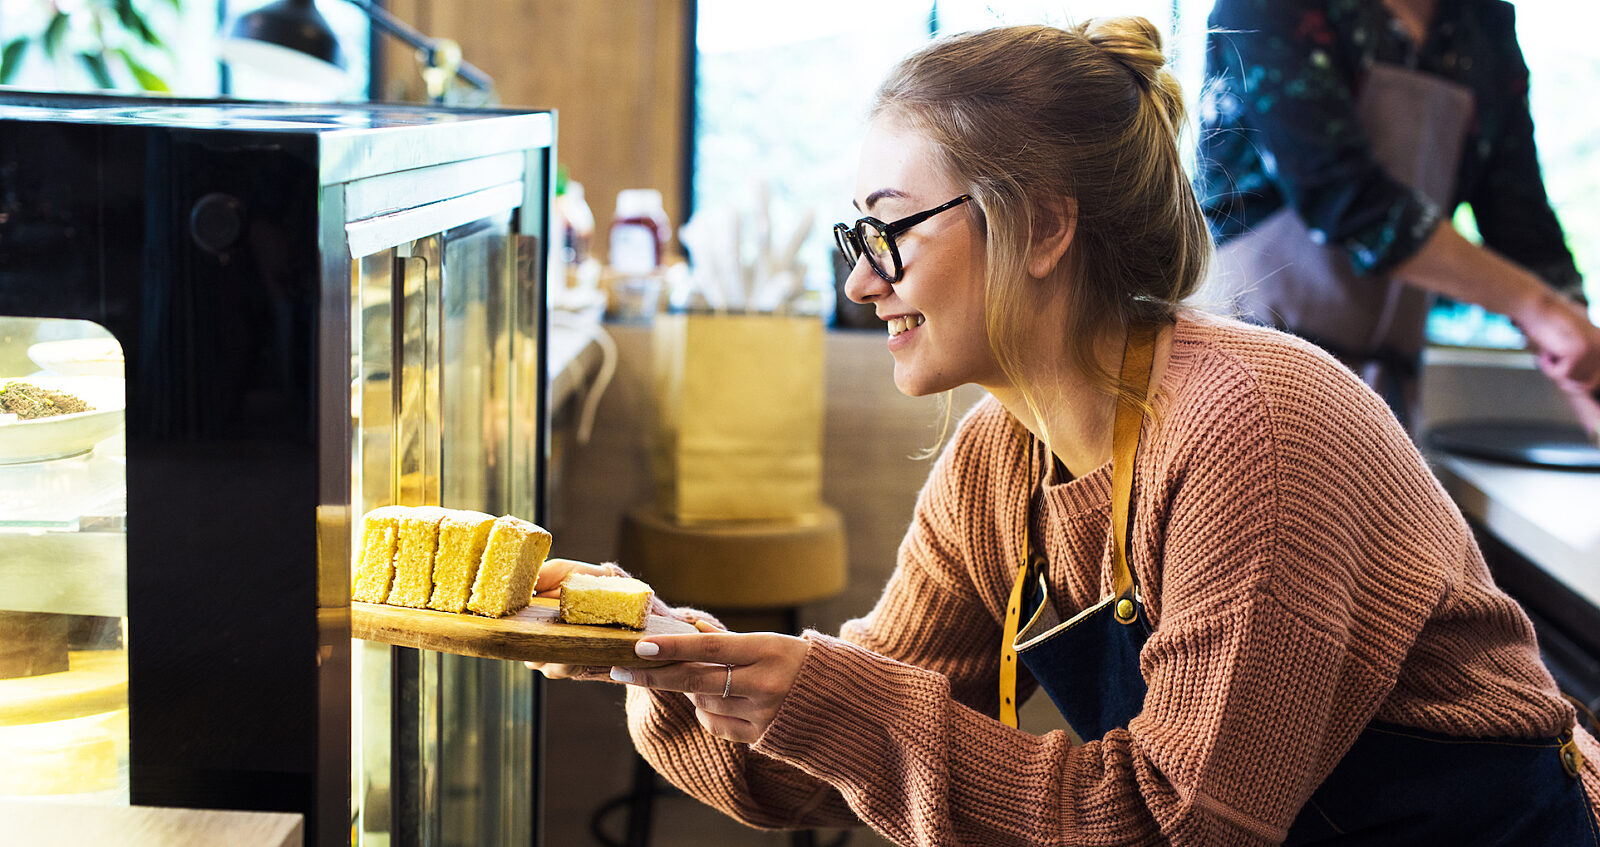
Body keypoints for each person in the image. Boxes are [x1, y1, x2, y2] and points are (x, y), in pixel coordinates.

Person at [531, 20, 1600, 845]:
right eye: (853, 237)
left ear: (1042, 224)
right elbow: (813, 769)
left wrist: (823, 696)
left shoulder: (1254, 431)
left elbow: (1180, 823)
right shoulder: (997, 462)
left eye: (888, 230)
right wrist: (669, 660)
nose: (860, 281)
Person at [1196, 0, 1600, 432]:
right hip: (1248, 380)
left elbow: (1525, 232)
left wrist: (1581, 355)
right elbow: (1343, 197)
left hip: (1385, 402)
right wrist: (1538, 306)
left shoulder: (1483, 22)